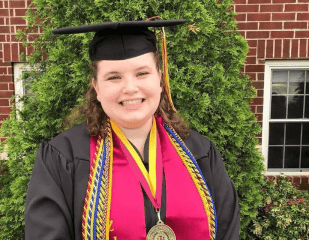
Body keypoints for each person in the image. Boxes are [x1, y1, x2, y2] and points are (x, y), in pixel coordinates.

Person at [24, 19, 240, 240]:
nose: (130, 88)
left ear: (160, 79)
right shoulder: (63, 158)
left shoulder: (200, 153)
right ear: (97, 87)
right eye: (114, 77)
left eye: (142, 73)